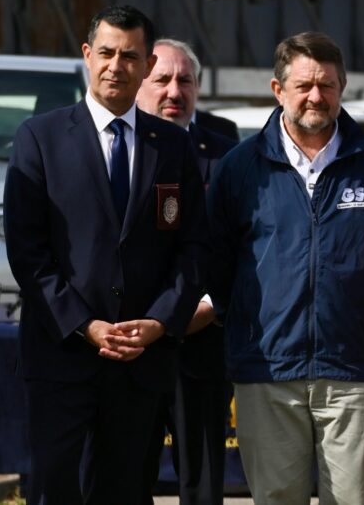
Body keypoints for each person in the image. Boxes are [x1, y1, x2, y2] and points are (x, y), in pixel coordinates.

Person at [4, 5, 209, 505]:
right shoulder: (40, 138)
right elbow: (28, 251)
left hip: (141, 364)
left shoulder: (173, 147)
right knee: (56, 490)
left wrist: (159, 321)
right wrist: (85, 325)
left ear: (146, 65)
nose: (116, 66)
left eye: (130, 56)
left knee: (125, 492)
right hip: (62, 356)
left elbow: (194, 248)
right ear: (87, 55)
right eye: (107, 53)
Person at [207, 31, 364, 505]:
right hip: (267, 370)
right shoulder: (239, 168)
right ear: (278, 90)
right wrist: (250, 327)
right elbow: (216, 264)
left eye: (327, 85)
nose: (316, 96)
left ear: (342, 87)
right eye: (304, 85)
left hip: (353, 370)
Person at [136, 38, 236, 505]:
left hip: (201, 341)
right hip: (130, 343)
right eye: (162, 79)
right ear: (140, 83)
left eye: (186, 81)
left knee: (202, 483)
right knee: (126, 477)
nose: (174, 91)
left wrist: (211, 305)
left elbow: (242, 244)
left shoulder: (227, 154)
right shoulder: (118, 147)